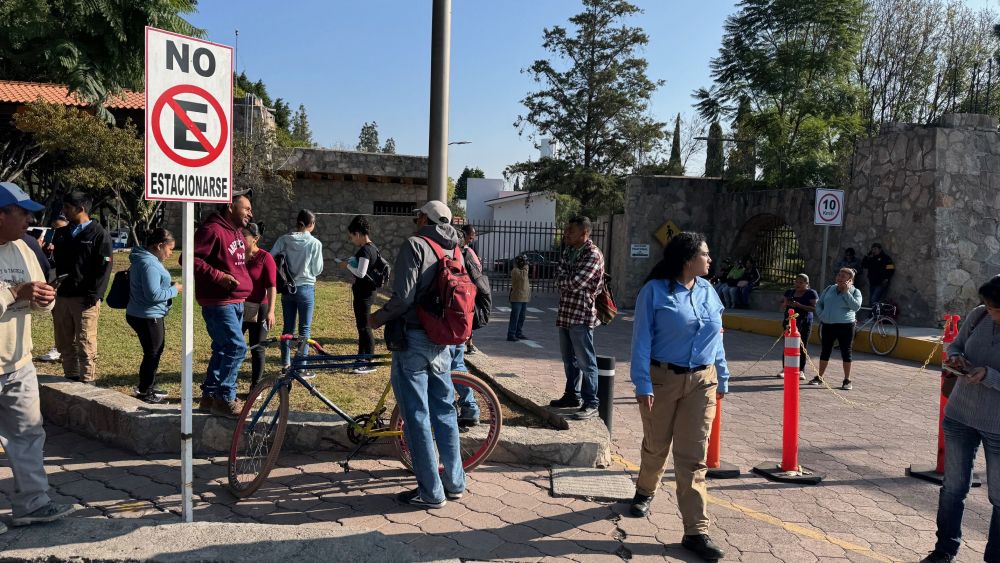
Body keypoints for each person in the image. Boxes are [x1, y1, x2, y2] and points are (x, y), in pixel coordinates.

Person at [627, 231, 729, 561]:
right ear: (687, 259)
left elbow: (718, 339)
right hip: (661, 380)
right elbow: (641, 341)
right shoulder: (654, 292)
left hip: (702, 382)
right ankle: (645, 490)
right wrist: (642, 384)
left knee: (692, 457)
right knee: (657, 445)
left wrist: (722, 376)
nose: (709, 259)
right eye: (705, 254)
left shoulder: (709, 291)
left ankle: (696, 531)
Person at [369, 200, 465, 509]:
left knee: (416, 417)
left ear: (425, 218)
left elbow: (403, 298)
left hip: (413, 340)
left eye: (418, 215)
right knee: (445, 412)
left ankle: (431, 492)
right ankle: (454, 483)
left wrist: (375, 319)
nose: (416, 219)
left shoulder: (415, 244)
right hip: (443, 340)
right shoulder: (456, 249)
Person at [0, 182, 81, 533]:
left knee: (29, 434)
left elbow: (35, 302)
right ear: (1, 214)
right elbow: (17, 292)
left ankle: (32, 504)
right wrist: (16, 291)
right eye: (22, 212)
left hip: (17, 362)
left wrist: (43, 299)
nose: (30, 219)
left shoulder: (23, 248)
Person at [921, 275, 1000, 563]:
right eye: (988, 305)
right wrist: (956, 359)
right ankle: (944, 550)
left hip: (997, 426)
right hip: (960, 416)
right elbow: (956, 345)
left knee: (999, 498)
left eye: (995, 308)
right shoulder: (979, 316)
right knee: (953, 487)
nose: (989, 311)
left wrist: (989, 376)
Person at [193, 194, 253, 417]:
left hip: (236, 301)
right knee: (236, 347)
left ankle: (209, 397)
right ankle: (225, 397)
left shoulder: (234, 231)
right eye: (246, 208)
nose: (250, 213)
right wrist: (218, 276)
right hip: (219, 302)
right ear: (230, 206)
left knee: (222, 348)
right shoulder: (212, 230)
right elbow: (190, 259)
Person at [51, 191, 113, 383]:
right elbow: (54, 264)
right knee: (63, 341)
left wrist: (95, 295)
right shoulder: (61, 233)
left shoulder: (99, 234)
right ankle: (70, 376)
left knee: (85, 342)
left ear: (81, 209)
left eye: (68, 208)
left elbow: (105, 266)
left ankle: (88, 381)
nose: (64, 211)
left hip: (85, 299)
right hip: (61, 296)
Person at [548, 215, 605, 421]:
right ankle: (572, 395)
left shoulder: (593, 254)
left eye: (571, 231)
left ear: (584, 233)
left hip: (581, 314)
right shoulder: (569, 251)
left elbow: (575, 282)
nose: (566, 234)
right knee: (568, 359)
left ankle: (592, 402)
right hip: (566, 312)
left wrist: (565, 280)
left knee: (585, 360)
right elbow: (559, 277)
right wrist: (565, 279)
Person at [125, 228, 180, 404]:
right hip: (148, 315)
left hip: (143, 313)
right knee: (152, 353)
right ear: (159, 245)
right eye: (170, 249)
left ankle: (148, 385)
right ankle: (145, 391)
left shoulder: (145, 259)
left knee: (153, 352)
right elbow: (153, 295)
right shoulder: (149, 264)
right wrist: (175, 290)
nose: (171, 253)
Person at [271, 209, 324, 369]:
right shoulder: (315, 243)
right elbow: (317, 270)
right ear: (311, 224)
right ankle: (301, 364)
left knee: (288, 328)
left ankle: (285, 363)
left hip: (287, 287)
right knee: (304, 329)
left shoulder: (284, 240)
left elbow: (271, 257)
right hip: (306, 288)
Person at [811, 267, 862, 390]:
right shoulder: (829, 289)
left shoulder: (855, 292)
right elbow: (819, 304)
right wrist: (822, 315)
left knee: (846, 352)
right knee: (825, 351)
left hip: (846, 326)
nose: (840, 278)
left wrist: (846, 292)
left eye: (843, 276)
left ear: (850, 280)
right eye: (839, 275)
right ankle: (819, 377)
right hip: (828, 325)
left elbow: (856, 307)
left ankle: (847, 380)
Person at [341, 215, 378, 374]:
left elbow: (361, 273)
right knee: (362, 326)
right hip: (367, 292)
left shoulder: (365, 250)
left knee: (364, 327)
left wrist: (347, 266)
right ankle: (361, 357)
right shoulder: (373, 248)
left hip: (364, 294)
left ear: (357, 233)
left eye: (352, 237)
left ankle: (368, 361)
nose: (352, 240)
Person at [241, 223, 276, 388]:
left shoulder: (265, 257)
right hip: (238, 307)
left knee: (257, 348)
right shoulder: (237, 256)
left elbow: (271, 286)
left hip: (259, 309)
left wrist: (271, 311)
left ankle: (256, 387)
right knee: (234, 346)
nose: (240, 238)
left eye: (244, 235)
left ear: (255, 239)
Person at [37, 215, 67, 363]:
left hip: (64, 282)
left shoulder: (70, 242)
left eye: (60, 229)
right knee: (56, 315)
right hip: (51, 279)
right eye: (53, 229)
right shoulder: (48, 243)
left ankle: (65, 349)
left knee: (65, 317)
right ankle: (59, 347)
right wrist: (42, 250)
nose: (56, 232)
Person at [775, 274, 818, 380]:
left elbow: (815, 309)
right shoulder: (789, 292)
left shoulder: (811, 293)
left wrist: (799, 305)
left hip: (804, 323)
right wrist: (785, 303)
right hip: (789, 323)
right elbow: (783, 306)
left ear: (807, 284)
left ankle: (801, 370)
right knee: (788, 346)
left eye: (800, 282)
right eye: (796, 282)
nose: (797, 284)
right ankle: (785, 369)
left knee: (802, 346)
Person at [460, 224, 481, 354]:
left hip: (469, 288)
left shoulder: (469, 250)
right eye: (470, 237)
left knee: (469, 315)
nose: (471, 240)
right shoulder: (458, 249)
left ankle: (469, 343)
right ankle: (464, 342)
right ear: (464, 234)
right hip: (461, 288)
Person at [507, 254, 530, 341]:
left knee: (522, 317)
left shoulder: (522, 270)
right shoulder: (515, 271)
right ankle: (511, 334)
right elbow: (523, 277)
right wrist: (526, 265)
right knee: (515, 317)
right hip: (517, 298)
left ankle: (518, 332)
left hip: (524, 297)